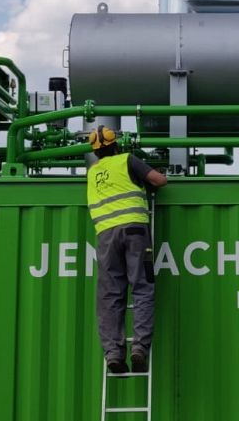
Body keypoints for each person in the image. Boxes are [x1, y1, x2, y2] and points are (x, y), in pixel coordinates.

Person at [86, 125, 167, 374]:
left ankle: (113, 354)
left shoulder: (92, 172)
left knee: (110, 296)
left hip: (106, 236)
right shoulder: (127, 160)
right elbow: (159, 181)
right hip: (134, 231)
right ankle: (139, 348)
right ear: (116, 145)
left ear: (95, 152)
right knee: (142, 288)